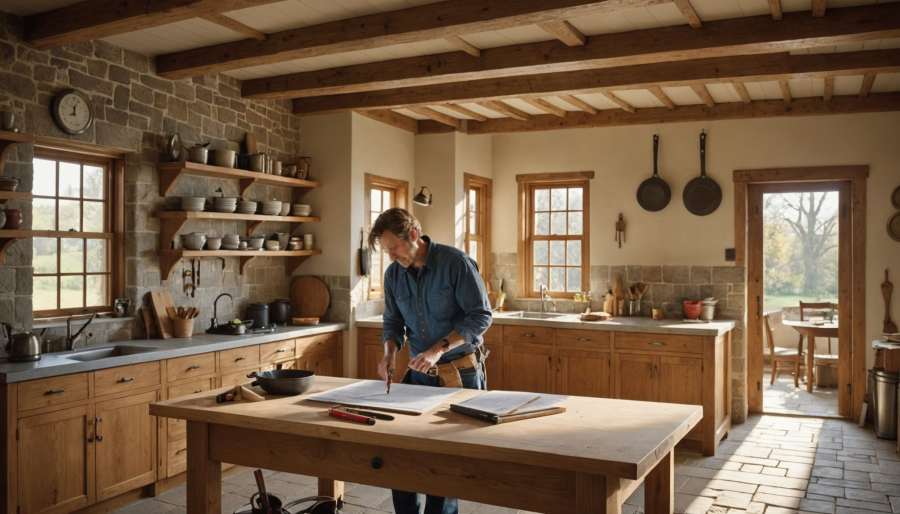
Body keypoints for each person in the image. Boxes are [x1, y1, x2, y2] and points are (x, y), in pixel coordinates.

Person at [368, 207, 491, 514]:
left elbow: (481, 316)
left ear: (413, 235)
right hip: (419, 379)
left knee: (445, 466)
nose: (391, 256)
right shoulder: (393, 274)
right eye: (386, 251)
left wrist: (438, 348)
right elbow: (393, 323)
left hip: (459, 374)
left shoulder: (455, 263)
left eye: (393, 248)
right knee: (403, 458)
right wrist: (389, 354)